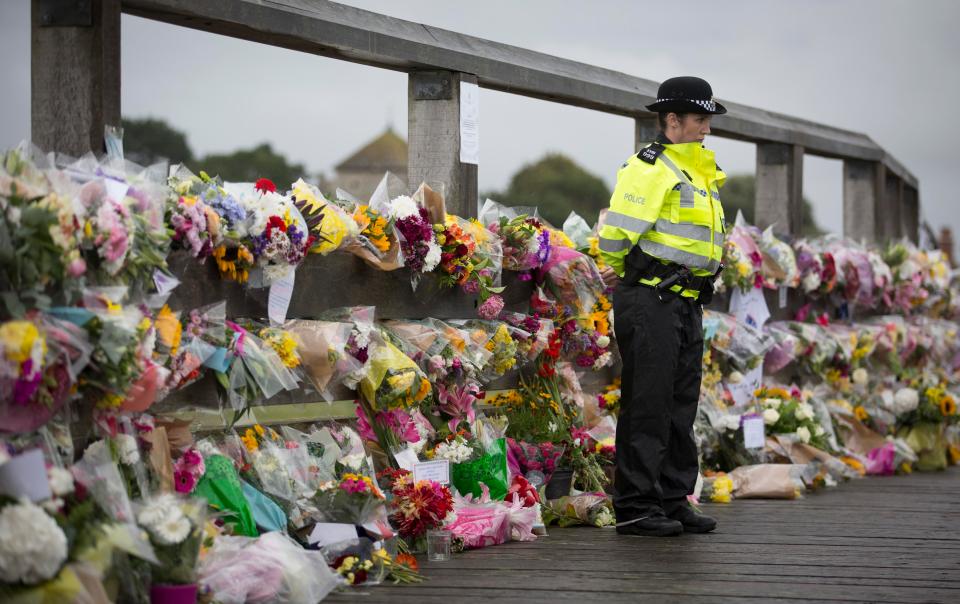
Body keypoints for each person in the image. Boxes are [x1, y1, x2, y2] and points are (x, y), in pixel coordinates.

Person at [598, 76, 727, 537]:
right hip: (651, 297)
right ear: (672, 120)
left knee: (680, 405)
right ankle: (635, 506)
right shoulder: (651, 167)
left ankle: (673, 499)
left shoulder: (698, 171)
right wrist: (626, 272)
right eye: (700, 119)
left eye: (708, 119)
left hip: (687, 301)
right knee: (648, 404)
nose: (706, 128)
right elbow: (614, 237)